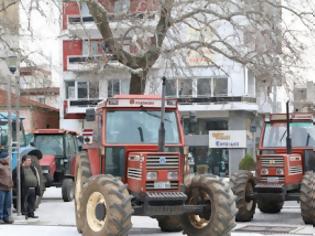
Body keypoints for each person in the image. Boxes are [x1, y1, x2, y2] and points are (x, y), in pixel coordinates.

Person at [0, 149, 14, 224]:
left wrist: (11, 183)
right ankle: (0, 217)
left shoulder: (7, 166)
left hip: (8, 189)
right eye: (8, 158)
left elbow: (9, 177)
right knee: (1, 204)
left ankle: (6, 217)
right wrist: (3, 183)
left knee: (7, 204)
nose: (9, 159)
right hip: (1, 188)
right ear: (3, 158)